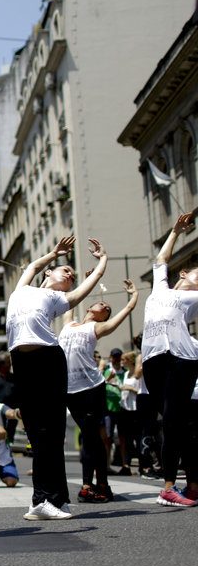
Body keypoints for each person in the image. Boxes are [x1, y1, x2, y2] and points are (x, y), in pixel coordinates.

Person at [7, 235, 107, 520]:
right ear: (49, 273)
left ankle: (49, 499)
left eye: (72, 276)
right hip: (23, 364)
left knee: (52, 433)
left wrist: (101, 263)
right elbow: (33, 265)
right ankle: (47, 499)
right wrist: (53, 253)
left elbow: (81, 293)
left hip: (48, 360)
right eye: (66, 269)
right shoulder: (22, 288)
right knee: (38, 433)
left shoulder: (56, 298)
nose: (70, 274)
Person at [58, 280, 138, 503]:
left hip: (92, 388)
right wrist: (85, 282)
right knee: (89, 437)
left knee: (91, 437)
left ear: (103, 316)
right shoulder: (68, 323)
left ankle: (92, 485)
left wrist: (132, 298)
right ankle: (98, 484)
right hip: (70, 390)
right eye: (100, 303)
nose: (102, 304)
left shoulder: (97, 328)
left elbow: (124, 314)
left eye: (106, 307)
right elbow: (72, 299)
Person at [140, 212, 198, 506]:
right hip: (152, 358)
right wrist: (175, 231)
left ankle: (169, 486)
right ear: (184, 274)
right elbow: (160, 260)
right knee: (177, 421)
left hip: (182, 358)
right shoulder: (160, 288)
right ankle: (193, 484)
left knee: (176, 421)